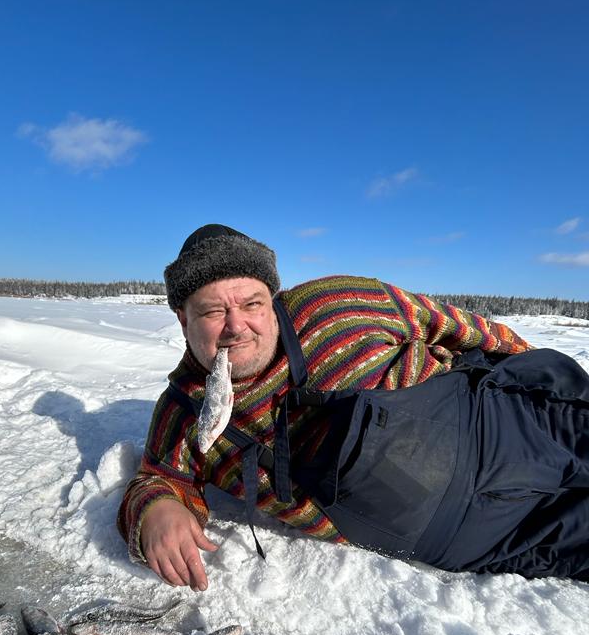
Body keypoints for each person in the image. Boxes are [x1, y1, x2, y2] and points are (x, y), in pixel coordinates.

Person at [118, 224, 589, 589]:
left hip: (516, 426)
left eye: (251, 304)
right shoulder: (185, 410)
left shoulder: (339, 304)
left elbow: (456, 326)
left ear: (272, 298)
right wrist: (157, 511)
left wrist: (535, 380)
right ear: (183, 319)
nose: (236, 326)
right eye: (212, 311)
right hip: (480, 536)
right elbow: (158, 479)